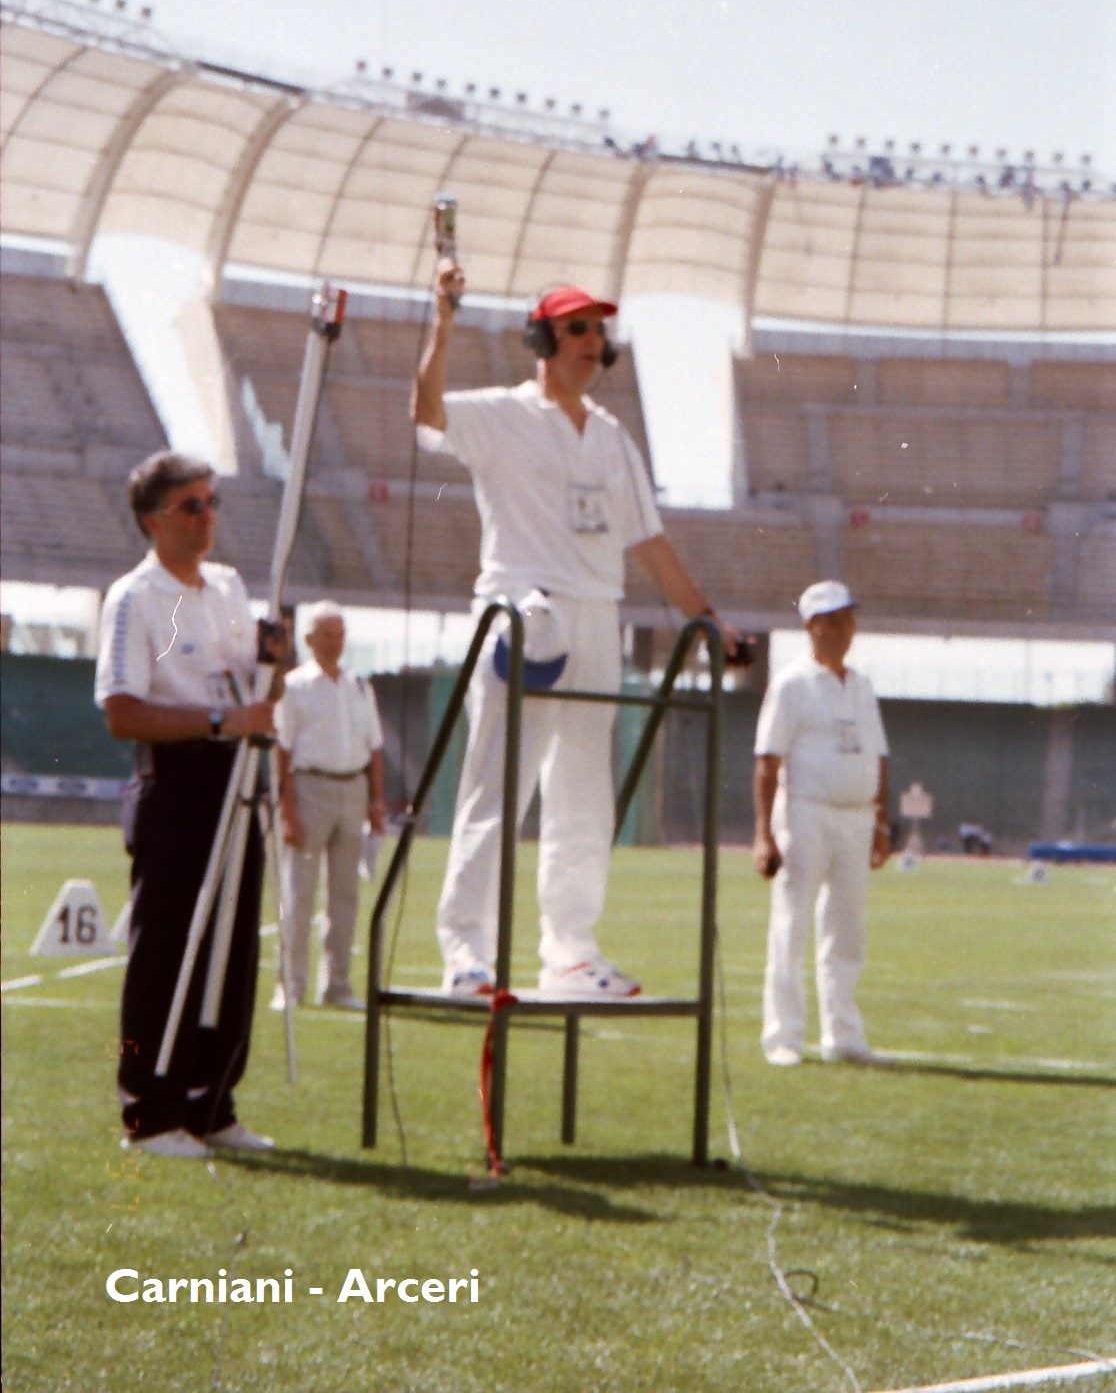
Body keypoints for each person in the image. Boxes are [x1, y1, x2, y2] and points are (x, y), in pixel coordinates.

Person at [412, 264, 740, 999]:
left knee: (585, 797)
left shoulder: (613, 437)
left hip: (598, 618)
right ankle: (466, 952)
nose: (593, 341)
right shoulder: (501, 413)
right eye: (577, 328)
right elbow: (427, 414)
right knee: (496, 790)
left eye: (599, 330)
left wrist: (706, 620)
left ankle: (570, 952)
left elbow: (649, 542)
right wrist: (442, 323)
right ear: (541, 339)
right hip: (522, 616)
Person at [95, 452, 279, 1158]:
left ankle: (211, 1101)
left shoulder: (228, 586)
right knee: (167, 950)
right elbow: (121, 712)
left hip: (236, 778)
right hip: (174, 780)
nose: (206, 518)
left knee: (233, 944)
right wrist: (219, 721)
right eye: (190, 507)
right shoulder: (134, 597)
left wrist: (276, 667)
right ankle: (149, 1110)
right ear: (153, 520)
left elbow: (255, 692)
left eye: (211, 503)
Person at [751, 579, 891, 1066]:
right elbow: (767, 759)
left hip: (857, 818)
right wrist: (763, 834)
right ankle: (784, 1036)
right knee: (791, 923)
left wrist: (881, 823)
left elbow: (879, 755)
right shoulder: (792, 683)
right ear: (811, 627)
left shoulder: (862, 684)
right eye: (833, 620)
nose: (845, 629)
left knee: (846, 929)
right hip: (806, 812)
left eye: (848, 619)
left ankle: (844, 1035)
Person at [270, 600, 386, 1013]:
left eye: (339, 635)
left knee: (345, 897)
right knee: (298, 894)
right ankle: (290, 985)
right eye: (326, 635)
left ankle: (337, 984)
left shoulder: (359, 686)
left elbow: (374, 748)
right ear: (309, 640)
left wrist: (375, 802)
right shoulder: (294, 686)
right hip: (309, 789)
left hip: (352, 791)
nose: (334, 643)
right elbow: (281, 749)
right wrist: (287, 811)